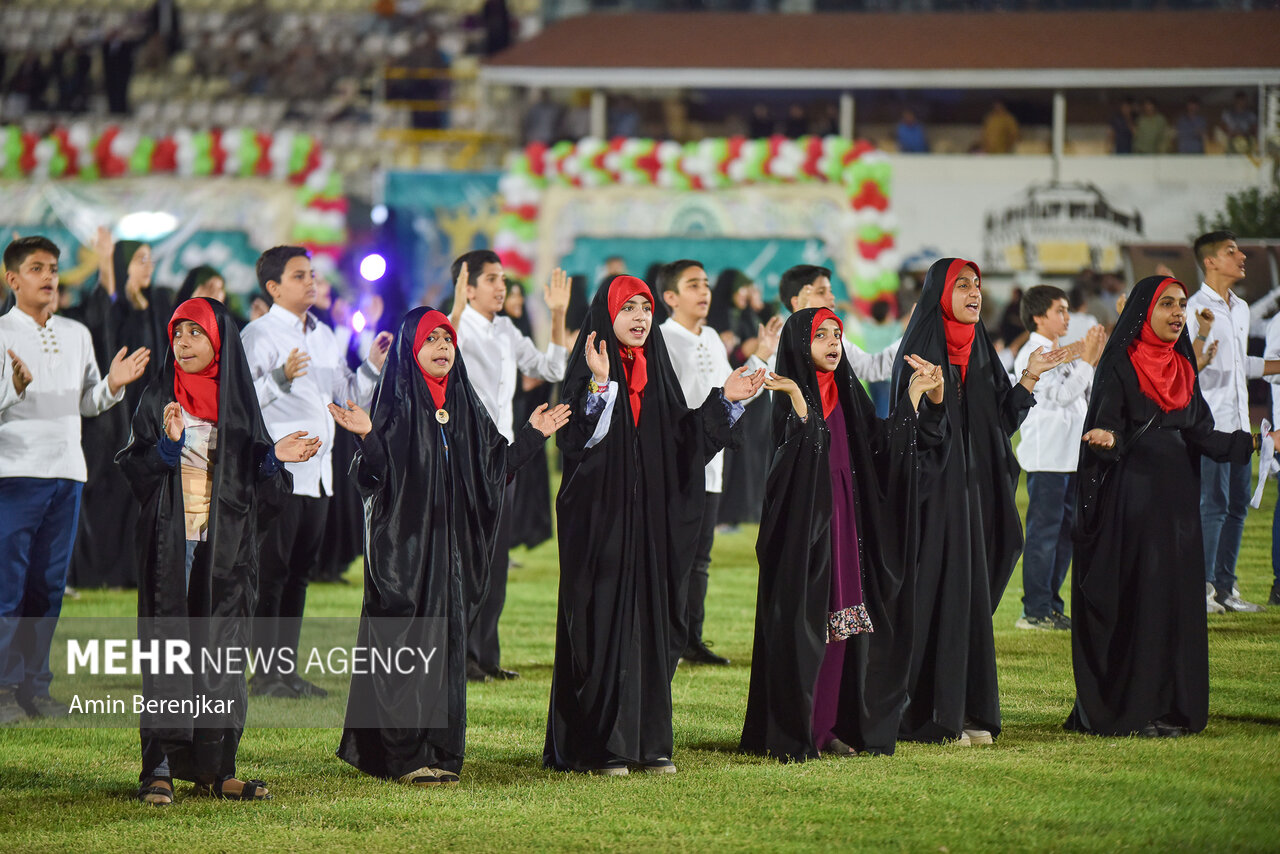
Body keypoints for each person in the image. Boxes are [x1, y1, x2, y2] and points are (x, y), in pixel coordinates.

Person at [330, 308, 569, 787]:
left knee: (446, 647)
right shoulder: (393, 408)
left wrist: (532, 436)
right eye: (431, 339)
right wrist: (368, 438)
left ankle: (441, 751)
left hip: (450, 556)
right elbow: (373, 479)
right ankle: (401, 756)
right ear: (410, 350)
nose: (442, 347)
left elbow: (492, 467)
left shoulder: (463, 405)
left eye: (448, 338)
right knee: (405, 646)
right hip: (404, 553)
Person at [544, 275, 764, 776]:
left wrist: (724, 400)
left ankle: (648, 743)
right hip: (602, 528)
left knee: (653, 625)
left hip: (650, 530)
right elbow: (575, 443)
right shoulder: (587, 372)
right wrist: (601, 386)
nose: (641, 318)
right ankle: (601, 747)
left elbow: (684, 441)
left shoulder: (656, 371)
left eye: (645, 309)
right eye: (630, 309)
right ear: (608, 317)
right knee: (601, 630)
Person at [120, 297, 316, 805]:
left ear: (218, 340)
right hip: (173, 547)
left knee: (224, 657)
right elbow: (135, 471)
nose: (182, 343)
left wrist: (274, 456)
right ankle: (158, 769)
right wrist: (167, 447)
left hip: (226, 549)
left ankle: (218, 769)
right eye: (177, 333)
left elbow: (263, 485)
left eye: (194, 333)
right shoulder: (158, 399)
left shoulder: (239, 402)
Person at [1067, 277, 1279, 738]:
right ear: (1145, 312)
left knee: (1176, 603)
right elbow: (1105, 428)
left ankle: (1172, 707)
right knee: (1143, 601)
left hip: (1178, 506)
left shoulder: (1183, 364)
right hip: (1134, 503)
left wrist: (1256, 441)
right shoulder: (1121, 364)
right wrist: (1107, 439)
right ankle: (1136, 709)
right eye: (1166, 304)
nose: (1177, 313)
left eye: (1181, 305)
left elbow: (1200, 432)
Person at [741, 308, 945, 761]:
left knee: (841, 626)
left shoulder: (848, 392)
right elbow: (798, 461)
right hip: (806, 535)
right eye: (822, 337)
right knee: (807, 626)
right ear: (800, 345)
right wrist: (796, 396)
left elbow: (880, 448)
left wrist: (912, 397)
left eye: (837, 334)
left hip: (847, 524)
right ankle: (801, 730)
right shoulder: (788, 397)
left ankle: (827, 725)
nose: (833, 343)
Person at [891, 258, 1065, 747]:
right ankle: (929, 717)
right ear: (940, 293)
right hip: (932, 502)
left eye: (978, 285)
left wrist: (1028, 378)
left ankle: (970, 712)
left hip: (973, 500)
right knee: (935, 602)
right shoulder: (921, 351)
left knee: (968, 604)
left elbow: (996, 427)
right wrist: (938, 400)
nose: (974, 293)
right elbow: (911, 436)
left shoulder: (982, 352)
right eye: (962, 285)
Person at [0, 236, 150, 724]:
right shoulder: (1, 333)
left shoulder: (76, 332)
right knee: (8, 586)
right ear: (12, 279)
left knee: (48, 586)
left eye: (53, 268)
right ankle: (4, 690)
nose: (49, 276)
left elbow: (88, 402)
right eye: (37, 268)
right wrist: (13, 387)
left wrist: (112, 385)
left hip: (68, 472)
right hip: (15, 473)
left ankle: (35, 687)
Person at [241, 246, 392, 698]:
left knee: (300, 573)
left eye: (312, 274)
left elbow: (345, 394)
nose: (312, 282)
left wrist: (371, 368)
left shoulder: (324, 334)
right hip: (279, 472)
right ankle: (264, 674)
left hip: (320, 473)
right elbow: (241, 403)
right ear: (273, 287)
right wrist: (280, 378)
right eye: (299, 275)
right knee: (272, 573)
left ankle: (285, 672)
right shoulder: (258, 335)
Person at [447, 249, 569, 683]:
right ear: (468, 285)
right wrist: (457, 309)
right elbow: (445, 363)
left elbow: (551, 366)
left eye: (503, 278)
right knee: (463, 561)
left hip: (503, 456)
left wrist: (557, 316)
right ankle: (455, 657)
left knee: (495, 561)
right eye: (492, 278)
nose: (501, 286)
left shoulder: (505, 329)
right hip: (461, 457)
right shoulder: (450, 328)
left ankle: (484, 655)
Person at [657, 260, 777, 665]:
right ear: (670, 297)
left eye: (706, 283)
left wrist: (760, 356)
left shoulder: (709, 335)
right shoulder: (661, 340)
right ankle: (666, 638)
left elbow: (733, 392)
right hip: (676, 463)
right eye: (693, 285)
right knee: (673, 555)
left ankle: (691, 638)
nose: (704, 291)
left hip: (710, 463)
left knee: (701, 557)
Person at [66, 233, 171, 590]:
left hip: (146, 416)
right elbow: (102, 318)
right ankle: (99, 572)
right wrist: (106, 265)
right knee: (109, 492)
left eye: (149, 258)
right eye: (140, 259)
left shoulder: (154, 306)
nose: (148, 266)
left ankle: (129, 571)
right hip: (114, 414)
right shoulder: (116, 307)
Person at [1187, 231, 1278, 613]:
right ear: (1210, 261)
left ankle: (1225, 587)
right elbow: (1184, 365)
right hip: (1209, 425)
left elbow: (1241, 365)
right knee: (1214, 504)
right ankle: (1202, 589)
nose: (1241, 256)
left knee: (1238, 503)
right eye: (1231, 251)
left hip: (1240, 424)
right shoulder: (1192, 308)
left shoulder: (1239, 307)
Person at [1013, 286, 1106, 632]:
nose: (1067, 317)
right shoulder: (1032, 354)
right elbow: (1065, 396)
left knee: (1065, 534)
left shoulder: (1058, 352)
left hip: (1069, 457)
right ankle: (1034, 610)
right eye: (1060, 311)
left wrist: (1087, 360)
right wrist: (1087, 359)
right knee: (1044, 535)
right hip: (1047, 458)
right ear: (1038, 316)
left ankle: (1051, 605)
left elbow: (1084, 393)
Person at [502, 282, 555, 552]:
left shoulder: (520, 329)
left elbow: (539, 372)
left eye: (520, 293)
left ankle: (516, 536)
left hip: (524, 414)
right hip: (506, 417)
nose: (518, 299)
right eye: (512, 294)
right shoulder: (497, 331)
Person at [777, 265, 898, 382]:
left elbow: (872, 368)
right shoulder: (779, 339)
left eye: (830, 291)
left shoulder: (835, 337)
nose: (831, 297)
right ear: (797, 302)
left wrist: (912, 335)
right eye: (821, 292)